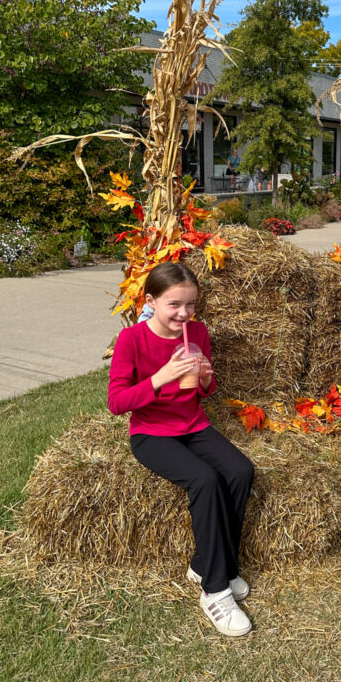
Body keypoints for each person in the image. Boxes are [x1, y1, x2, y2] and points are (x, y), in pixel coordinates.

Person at [107, 261, 255, 636]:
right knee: (205, 480)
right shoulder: (131, 340)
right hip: (151, 434)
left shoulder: (197, 332)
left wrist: (205, 377)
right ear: (151, 301)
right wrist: (160, 378)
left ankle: (208, 563)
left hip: (193, 425)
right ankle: (215, 590)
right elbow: (117, 402)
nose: (184, 313)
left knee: (241, 471)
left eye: (190, 305)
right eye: (174, 304)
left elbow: (204, 391)